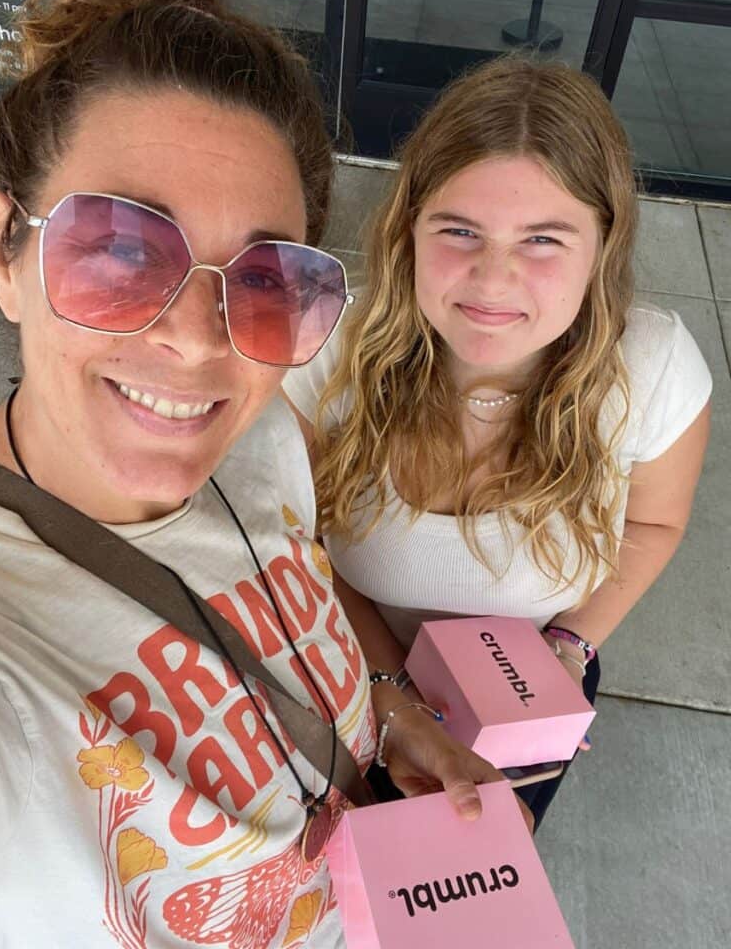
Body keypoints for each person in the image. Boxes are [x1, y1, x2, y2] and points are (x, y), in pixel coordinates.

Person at [0, 0, 525, 948]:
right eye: (121, 249)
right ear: (7, 248)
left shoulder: (260, 438)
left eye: (265, 281)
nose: (196, 339)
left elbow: (298, 597)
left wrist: (395, 718)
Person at [284, 56, 712, 827]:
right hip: (346, 662)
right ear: (409, 228)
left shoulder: (652, 370)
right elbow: (294, 544)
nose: (492, 279)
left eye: (544, 239)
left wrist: (567, 651)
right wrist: (388, 689)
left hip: (532, 679)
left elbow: (652, 524)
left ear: (603, 248)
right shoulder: (324, 354)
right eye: (459, 230)